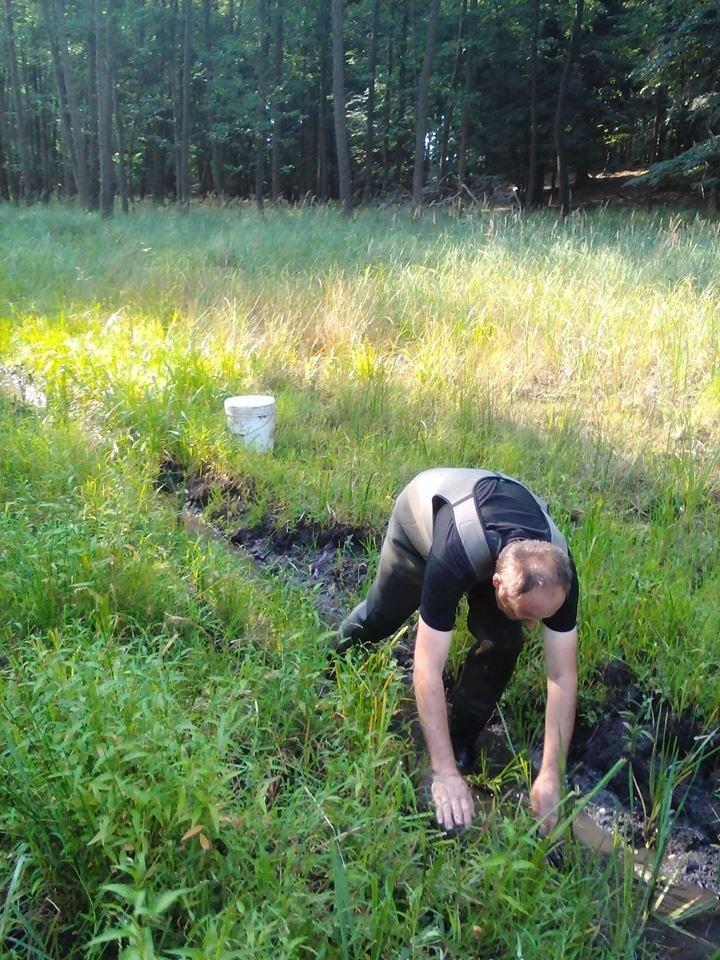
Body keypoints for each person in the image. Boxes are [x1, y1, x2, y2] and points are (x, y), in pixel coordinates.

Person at [338, 467, 579, 835]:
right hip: (423, 527)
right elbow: (427, 668)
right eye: (530, 615)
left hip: (500, 554)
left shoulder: (557, 573)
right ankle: (334, 661)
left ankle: (462, 739)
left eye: (541, 616)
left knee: (505, 642)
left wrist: (550, 773)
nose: (535, 626)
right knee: (382, 617)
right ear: (497, 584)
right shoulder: (453, 554)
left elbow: (562, 675)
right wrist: (443, 774)